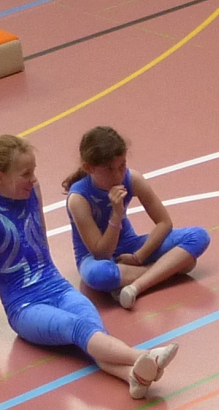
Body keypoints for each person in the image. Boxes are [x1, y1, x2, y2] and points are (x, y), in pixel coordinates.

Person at [0, 133, 177, 401]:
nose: (34, 179)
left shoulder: (32, 192)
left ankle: (132, 375)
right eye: (26, 174)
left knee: (92, 330)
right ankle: (145, 356)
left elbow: (40, 240)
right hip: (25, 306)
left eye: (34, 171)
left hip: (58, 287)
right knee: (78, 328)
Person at [63, 125, 210, 310]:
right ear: (88, 168)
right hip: (94, 258)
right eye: (109, 170)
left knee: (198, 236)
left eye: (122, 166)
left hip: (131, 247)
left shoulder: (132, 178)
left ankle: (135, 285)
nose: (118, 175)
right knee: (100, 275)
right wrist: (116, 214)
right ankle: (167, 268)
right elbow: (102, 254)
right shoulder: (78, 199)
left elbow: (164, 223)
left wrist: (139, 256)